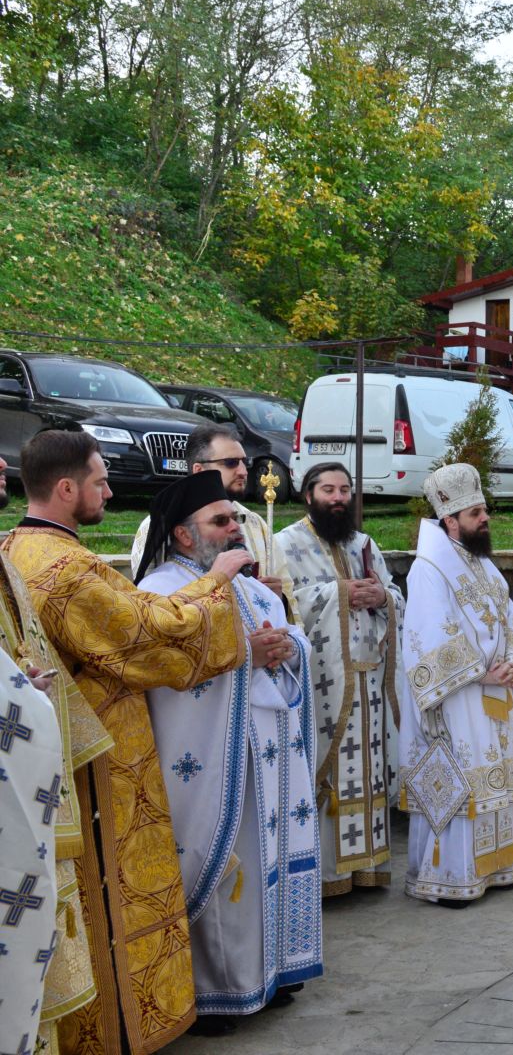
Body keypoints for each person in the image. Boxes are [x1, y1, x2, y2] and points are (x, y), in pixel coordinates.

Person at [1, 427, 251, 1052]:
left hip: (66, 751)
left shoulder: (15, 549)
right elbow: (149, 632)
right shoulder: (64, 568)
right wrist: (216, 579)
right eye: (99, 480)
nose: (111, 490)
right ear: (65, 488)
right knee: (107, 892)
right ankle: (114, 1031)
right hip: (96, 765)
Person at [138, 472, 322, 1026]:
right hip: (216, 760)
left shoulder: (249, 585)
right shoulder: (160, 592)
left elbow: (294, 640)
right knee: (226, 869)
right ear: (185, 535)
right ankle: (219, 990)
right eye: (221, 521)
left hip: (268, 757)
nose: (235, 528)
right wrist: (247, 654)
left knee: (270, 862)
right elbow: (171, 671)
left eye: (234, 518)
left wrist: (288, 646)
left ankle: (274, 970)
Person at [0, 454, 112, 1055]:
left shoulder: (6, 554)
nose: (2, 462)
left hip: (29, 776)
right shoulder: (52, 558)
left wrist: (26, 688)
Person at [398, 464, 513, 904]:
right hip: (457, 696)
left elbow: (508, 617)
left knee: (491, 777)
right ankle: (450, 877)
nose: (484, 519)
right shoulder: (429, 569)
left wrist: (511, 663)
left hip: (493, 692)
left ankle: (495, 868)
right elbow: (427, 635)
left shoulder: (485, 567)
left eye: (483, 510)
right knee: (459, 782)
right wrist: (481, 672)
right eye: (474, 514)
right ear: (450, 520)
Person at [277, 462, 403, 896]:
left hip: (370, 682)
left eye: (345, 489)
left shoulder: (363, 543)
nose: (337, 498)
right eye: (328, 489)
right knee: (329, 774)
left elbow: (395, 596)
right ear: (308, 494)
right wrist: (337, 593)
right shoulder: (285, 544)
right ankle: (329, 876)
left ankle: (368, 868)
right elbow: (286, 605)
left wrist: (382, 596)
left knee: (369, 776)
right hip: (323, 682)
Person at [130, 423, 288, 600]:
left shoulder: (255, 522)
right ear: (198, 470)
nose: (243, 471)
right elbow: (149, 605)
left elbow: (285, 590)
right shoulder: (162, 523)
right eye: (231, 463)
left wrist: (278, 600)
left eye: (245, 462)